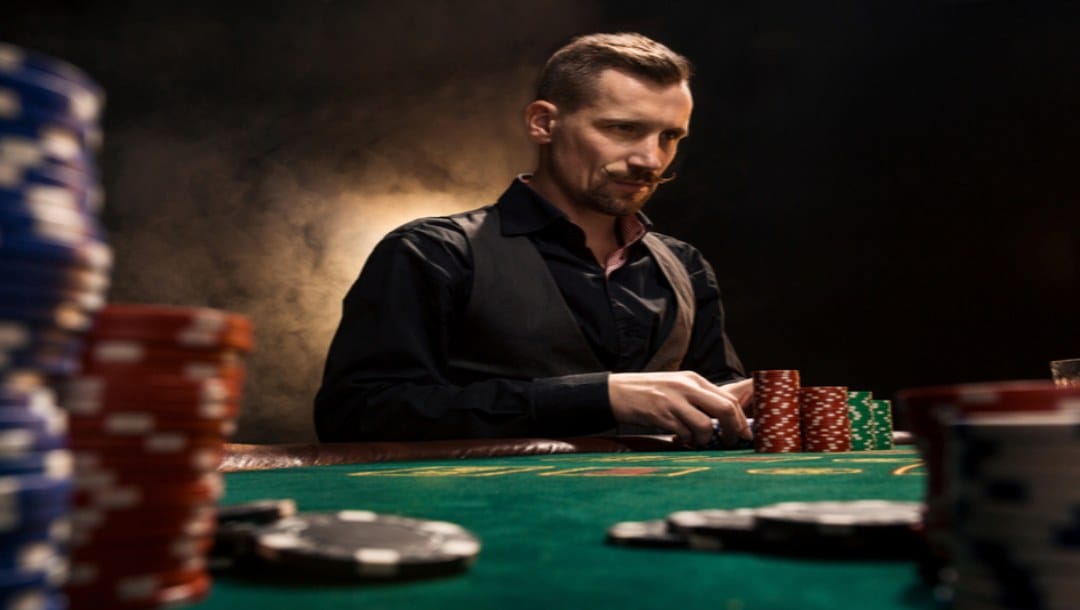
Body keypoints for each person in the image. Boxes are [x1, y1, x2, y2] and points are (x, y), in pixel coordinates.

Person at [314, 32, 753, 447]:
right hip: (492, 517)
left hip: (662, 514)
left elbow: (720, 406)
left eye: (670, 137)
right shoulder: (433, 252)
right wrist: (598, 396)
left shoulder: (685, 264)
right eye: (623, 129)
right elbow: (355, 414)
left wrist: (747, 405)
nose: (650, 159)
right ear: (543, 123)